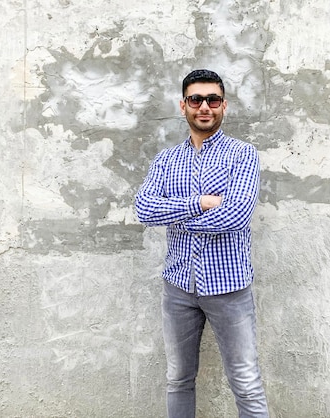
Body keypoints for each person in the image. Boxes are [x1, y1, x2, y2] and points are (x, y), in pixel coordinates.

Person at [135, 69, 269, 418]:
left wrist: (174, 214)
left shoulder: (242, 155)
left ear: (224, 105)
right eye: (196, 99)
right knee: (178, 378)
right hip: (178, 286)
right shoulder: (166, 160)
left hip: (229, 288)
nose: (204, 107)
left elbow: (236, 216)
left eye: (212, 99)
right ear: (184, 105)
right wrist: (200, 202)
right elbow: (144, 209)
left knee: (246, 381)